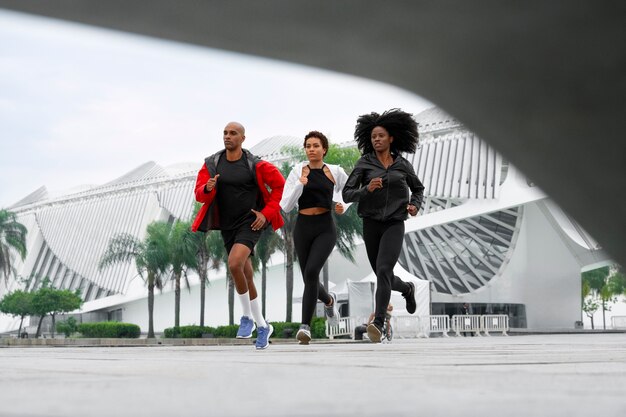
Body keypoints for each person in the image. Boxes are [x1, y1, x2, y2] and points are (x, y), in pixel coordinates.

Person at [192, 121, 285, 350]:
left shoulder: (255, 164)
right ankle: (263, 326)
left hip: (251, 222)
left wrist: (266, 213)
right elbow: (199, 195)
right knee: (245, 274)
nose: (227, 136)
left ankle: (246, 317)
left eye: (233, 133)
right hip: (227, 225)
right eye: (224, 132)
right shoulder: (212, 164)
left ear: (243, 138)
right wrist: (208, 188)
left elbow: (280, 186)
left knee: (234, 264)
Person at [342, 109, 425, 343]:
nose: (376, 139)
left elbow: (418, 189)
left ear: (391, 138)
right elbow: (347, 194)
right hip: (371, 223)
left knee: (383, 270)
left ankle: (378, 322)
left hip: (395, 223)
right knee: (383, 273)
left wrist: (414, 205)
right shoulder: (364, 163)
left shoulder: (402, 165)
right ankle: (407, 289)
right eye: (373, 137)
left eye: (381, 136)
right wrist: (367, 189)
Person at [280, 131, 351, 345]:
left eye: (315, 146)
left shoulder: (334, 171)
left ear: (324, 149)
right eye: (308, 146)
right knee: (309, 278)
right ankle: (329, 300)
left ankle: (305, 328)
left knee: (311, 272)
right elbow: (286, 205)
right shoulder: (297, 171)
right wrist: (300, 185)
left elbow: (349, 191)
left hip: (325, 227)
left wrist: (343, 206)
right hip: (302, 227)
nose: (311, 149)